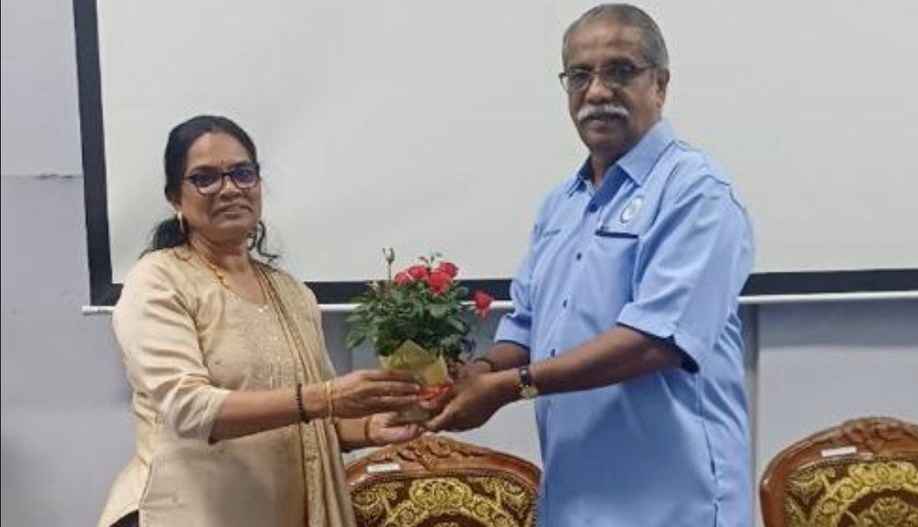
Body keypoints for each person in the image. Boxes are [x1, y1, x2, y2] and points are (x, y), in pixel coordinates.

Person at [426, 4, 754, 526]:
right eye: (580, 75)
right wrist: (479, 373)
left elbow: (654, 342)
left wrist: (509, 387)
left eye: (619, 71)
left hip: (673, 505)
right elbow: (526, 328)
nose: (597, 91)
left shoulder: (696, 193)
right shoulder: (560, 204)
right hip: (573, 502)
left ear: (660, 84)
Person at [98, 115, 424, 527]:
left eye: (242, 173)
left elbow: (317, 422)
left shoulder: (291, 292)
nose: (229, 189)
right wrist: (326, 399)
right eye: (205, 178)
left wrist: (372, 427)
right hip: (189, 513)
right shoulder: (159, 280)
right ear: (175, 198)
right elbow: (190, 409)